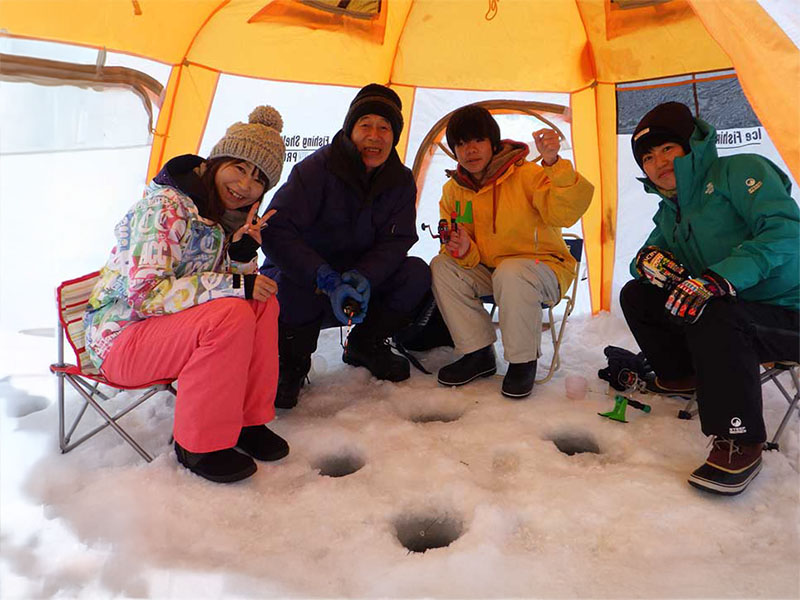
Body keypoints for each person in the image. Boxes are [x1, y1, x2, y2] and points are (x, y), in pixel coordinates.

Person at [84, 106, 289, 484]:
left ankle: (246, 420)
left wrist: (242, 258)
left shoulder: (218, 216)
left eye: (259, 179)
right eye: (239, 168)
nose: (245, 186)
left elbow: (219, 288)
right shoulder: (163, 210)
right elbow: (146, 295)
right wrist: (235, 285)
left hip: (167, 330)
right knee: (233, 311)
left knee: (260, 304)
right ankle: (198, 444)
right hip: (121, 338)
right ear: (216, 160)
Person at [621, 101, 800, 495]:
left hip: (788, 310)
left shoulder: (739, 171)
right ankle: (685, 376)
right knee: (638, 295)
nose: (658, 162)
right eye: (648, 157)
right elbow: (643, 261)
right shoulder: (671, 212)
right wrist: (649, 265)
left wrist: (720, 279)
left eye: (667, 149)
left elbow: (786, 232)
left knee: (715, 310)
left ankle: (739, 439)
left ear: (690, 145)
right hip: (738, 313)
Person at [261, 83, 431, 409]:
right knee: (285, 281)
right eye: (365, 125)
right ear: (349, 129)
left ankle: (365, 344)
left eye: (384, 128)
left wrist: (364, 275)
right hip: (310, 282)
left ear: (394, 136)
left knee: (416, 273)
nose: (374, 136)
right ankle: (291, 364)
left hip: (358, 286)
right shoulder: (315, 170)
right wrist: (323, 276)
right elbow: (276, 229)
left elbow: (398, 239)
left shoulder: (400, 180)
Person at [430, 104, 594, 398]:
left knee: (512, 271)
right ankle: (478, 353)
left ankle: (522, 361)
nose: (470, 150)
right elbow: (452, 238)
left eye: (477, 140)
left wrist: (554, 163)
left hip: (543, 269)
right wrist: (462, 249)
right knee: (441, 266)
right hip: (490, 270)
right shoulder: (454, 191)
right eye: (461, 144)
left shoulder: (528, 175)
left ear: (493, 143)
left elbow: (564, 213)